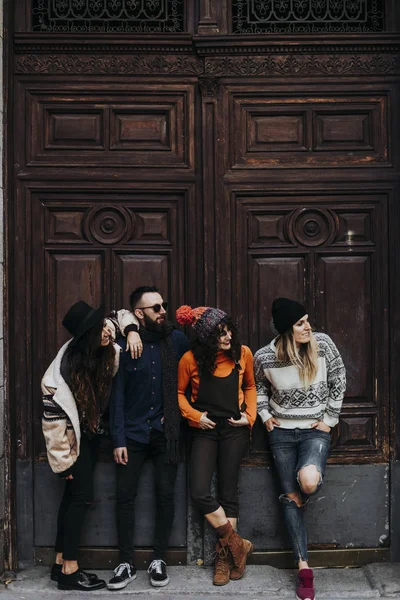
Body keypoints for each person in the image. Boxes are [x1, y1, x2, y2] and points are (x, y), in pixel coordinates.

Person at [254, 298, 346, 600]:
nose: (308, 326)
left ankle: (300, 490)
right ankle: (304, 568)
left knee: (306, 482)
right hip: (281, 433)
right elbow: (258, 389)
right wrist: (266, 417)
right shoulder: (265, 357)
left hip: (313, 431)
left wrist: (329, 419)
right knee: (290, 497)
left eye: (307, 320)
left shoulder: (323, 344)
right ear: (286, 330)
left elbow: (339, 380)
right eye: (300, 323)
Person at [107, 286, 190, 590]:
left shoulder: (177, 340)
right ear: (139, 314)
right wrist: (118, 438)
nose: (163, 311)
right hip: (132, 433)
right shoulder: (123, 344)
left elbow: (191, 382)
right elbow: (117, 395)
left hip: (166, 434)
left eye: (163, 305)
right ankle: (126, 562)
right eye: (155, 308)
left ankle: (158, 559)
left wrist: (179, 415)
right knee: (125, 496)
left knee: (165, 495)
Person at [41, 301, 120, 591]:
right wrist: (64, 465)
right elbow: (53, 426)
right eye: (99, 329)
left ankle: (60, 561)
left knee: (72, 498)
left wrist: (132, 329)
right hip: (72, 443)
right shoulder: (58, 378)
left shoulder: (105, 341)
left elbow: (122, 317)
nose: (107, 332)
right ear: (87, 336)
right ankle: (70, 572)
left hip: (89, 435)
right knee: (81, 498)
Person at [176, 305, 257, 586]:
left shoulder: (243, 353)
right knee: (199, 491)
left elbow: (250, 386)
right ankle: (237, 544)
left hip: (233, 430)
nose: (227, 337)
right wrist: (196, 417)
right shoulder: (190, 359)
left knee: (228, 492)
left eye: (229, 330)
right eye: (220, 334)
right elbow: (179, 394)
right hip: (205, 431)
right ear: (207, 338)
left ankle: (224, 559)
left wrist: (249, 417)